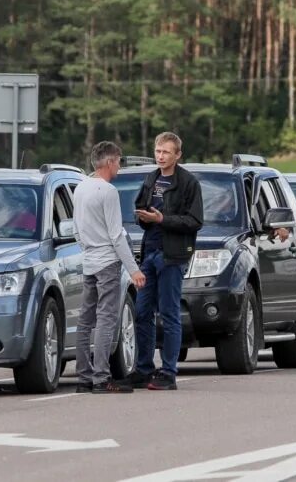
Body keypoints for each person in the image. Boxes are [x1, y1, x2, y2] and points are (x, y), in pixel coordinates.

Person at [127, 132, 203, 391]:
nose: (161, 156)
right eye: (158, 151)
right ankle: (143, 369)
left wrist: (162, 219)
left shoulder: (188, 183)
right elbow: (140, 207)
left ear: (178, 155)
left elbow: (195, 221)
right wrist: (143, 216)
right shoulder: (152, 178)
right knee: (142, 312)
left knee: (169, 313)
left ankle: (168, 372)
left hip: (172, 255)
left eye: (166, 152)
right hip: (149, 252)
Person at [73, 141, 147, 394]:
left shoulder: (80, 188)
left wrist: (89, 250)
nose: (119, 166)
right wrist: (134, 269)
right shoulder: (108, 191)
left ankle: (83, 377)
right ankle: (102, 377)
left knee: (85, 319)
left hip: (89, 261)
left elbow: (76, 231)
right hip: (107, 262)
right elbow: (116, 235)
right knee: (106, 318)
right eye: (118, 160)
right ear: (108, 162)